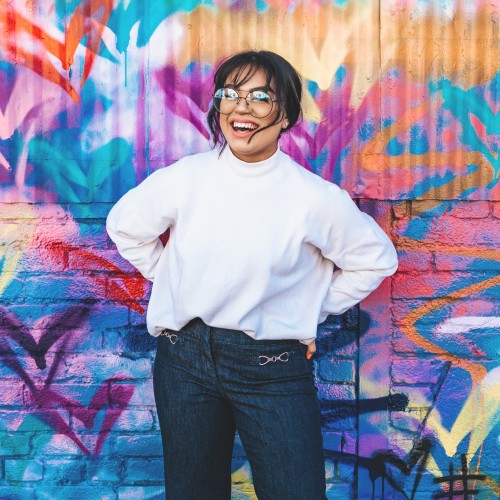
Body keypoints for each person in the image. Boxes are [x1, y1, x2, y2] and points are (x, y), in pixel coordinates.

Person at [106, 50, 398, 500]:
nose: (241, 108)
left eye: (261, 97)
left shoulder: (312, 198)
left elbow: (376, 259)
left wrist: (311, 308)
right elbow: (126, 227)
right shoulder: (188, 178)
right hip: (184, 362)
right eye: (230, 94)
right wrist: (170, 278)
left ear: (286, 116)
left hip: (272, 368)